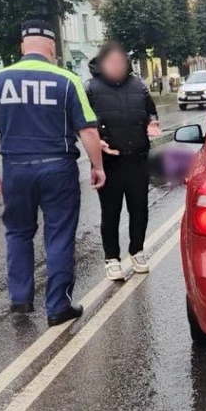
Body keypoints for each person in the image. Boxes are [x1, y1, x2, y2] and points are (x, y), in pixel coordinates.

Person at [0, 19, 106, 327]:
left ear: (23, 46)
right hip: (57, 167)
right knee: (59, 234)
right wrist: (97, 166)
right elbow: (87, 129)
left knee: (18, 232)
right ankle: (58, 306)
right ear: (51, 47)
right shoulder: (66, 80)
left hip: (16, 168)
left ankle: (20, 299)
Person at [85, 41, 162, 281]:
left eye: (121, 61)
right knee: (111, 212)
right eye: (112, 62)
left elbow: (151, 111)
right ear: (101, 63)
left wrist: (151, 122)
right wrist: (97, 144)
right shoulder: (90, 89)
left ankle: (136, 251)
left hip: (138, 159)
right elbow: (82, 125)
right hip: (109, 162)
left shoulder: (138, 85)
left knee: (139, 208)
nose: (117, 66)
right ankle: (112, 259)